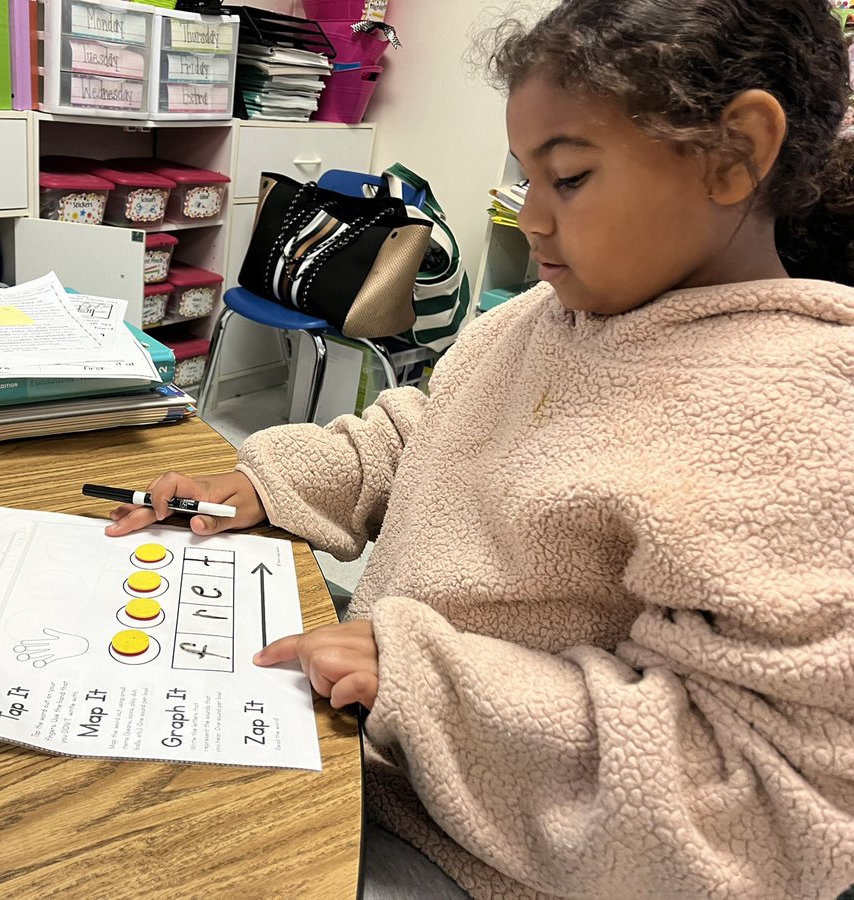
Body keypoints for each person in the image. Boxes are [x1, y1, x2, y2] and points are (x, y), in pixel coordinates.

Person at [106, 0, 854, 895]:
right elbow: (429, 431)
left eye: (568, 177)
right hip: (382, 752)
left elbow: (763, 802)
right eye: (524, 177)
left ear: (734, 155)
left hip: (483, 856)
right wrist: (269, 480)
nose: (529, 216)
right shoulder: (544, 318)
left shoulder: (796, 414)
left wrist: (426, 684)